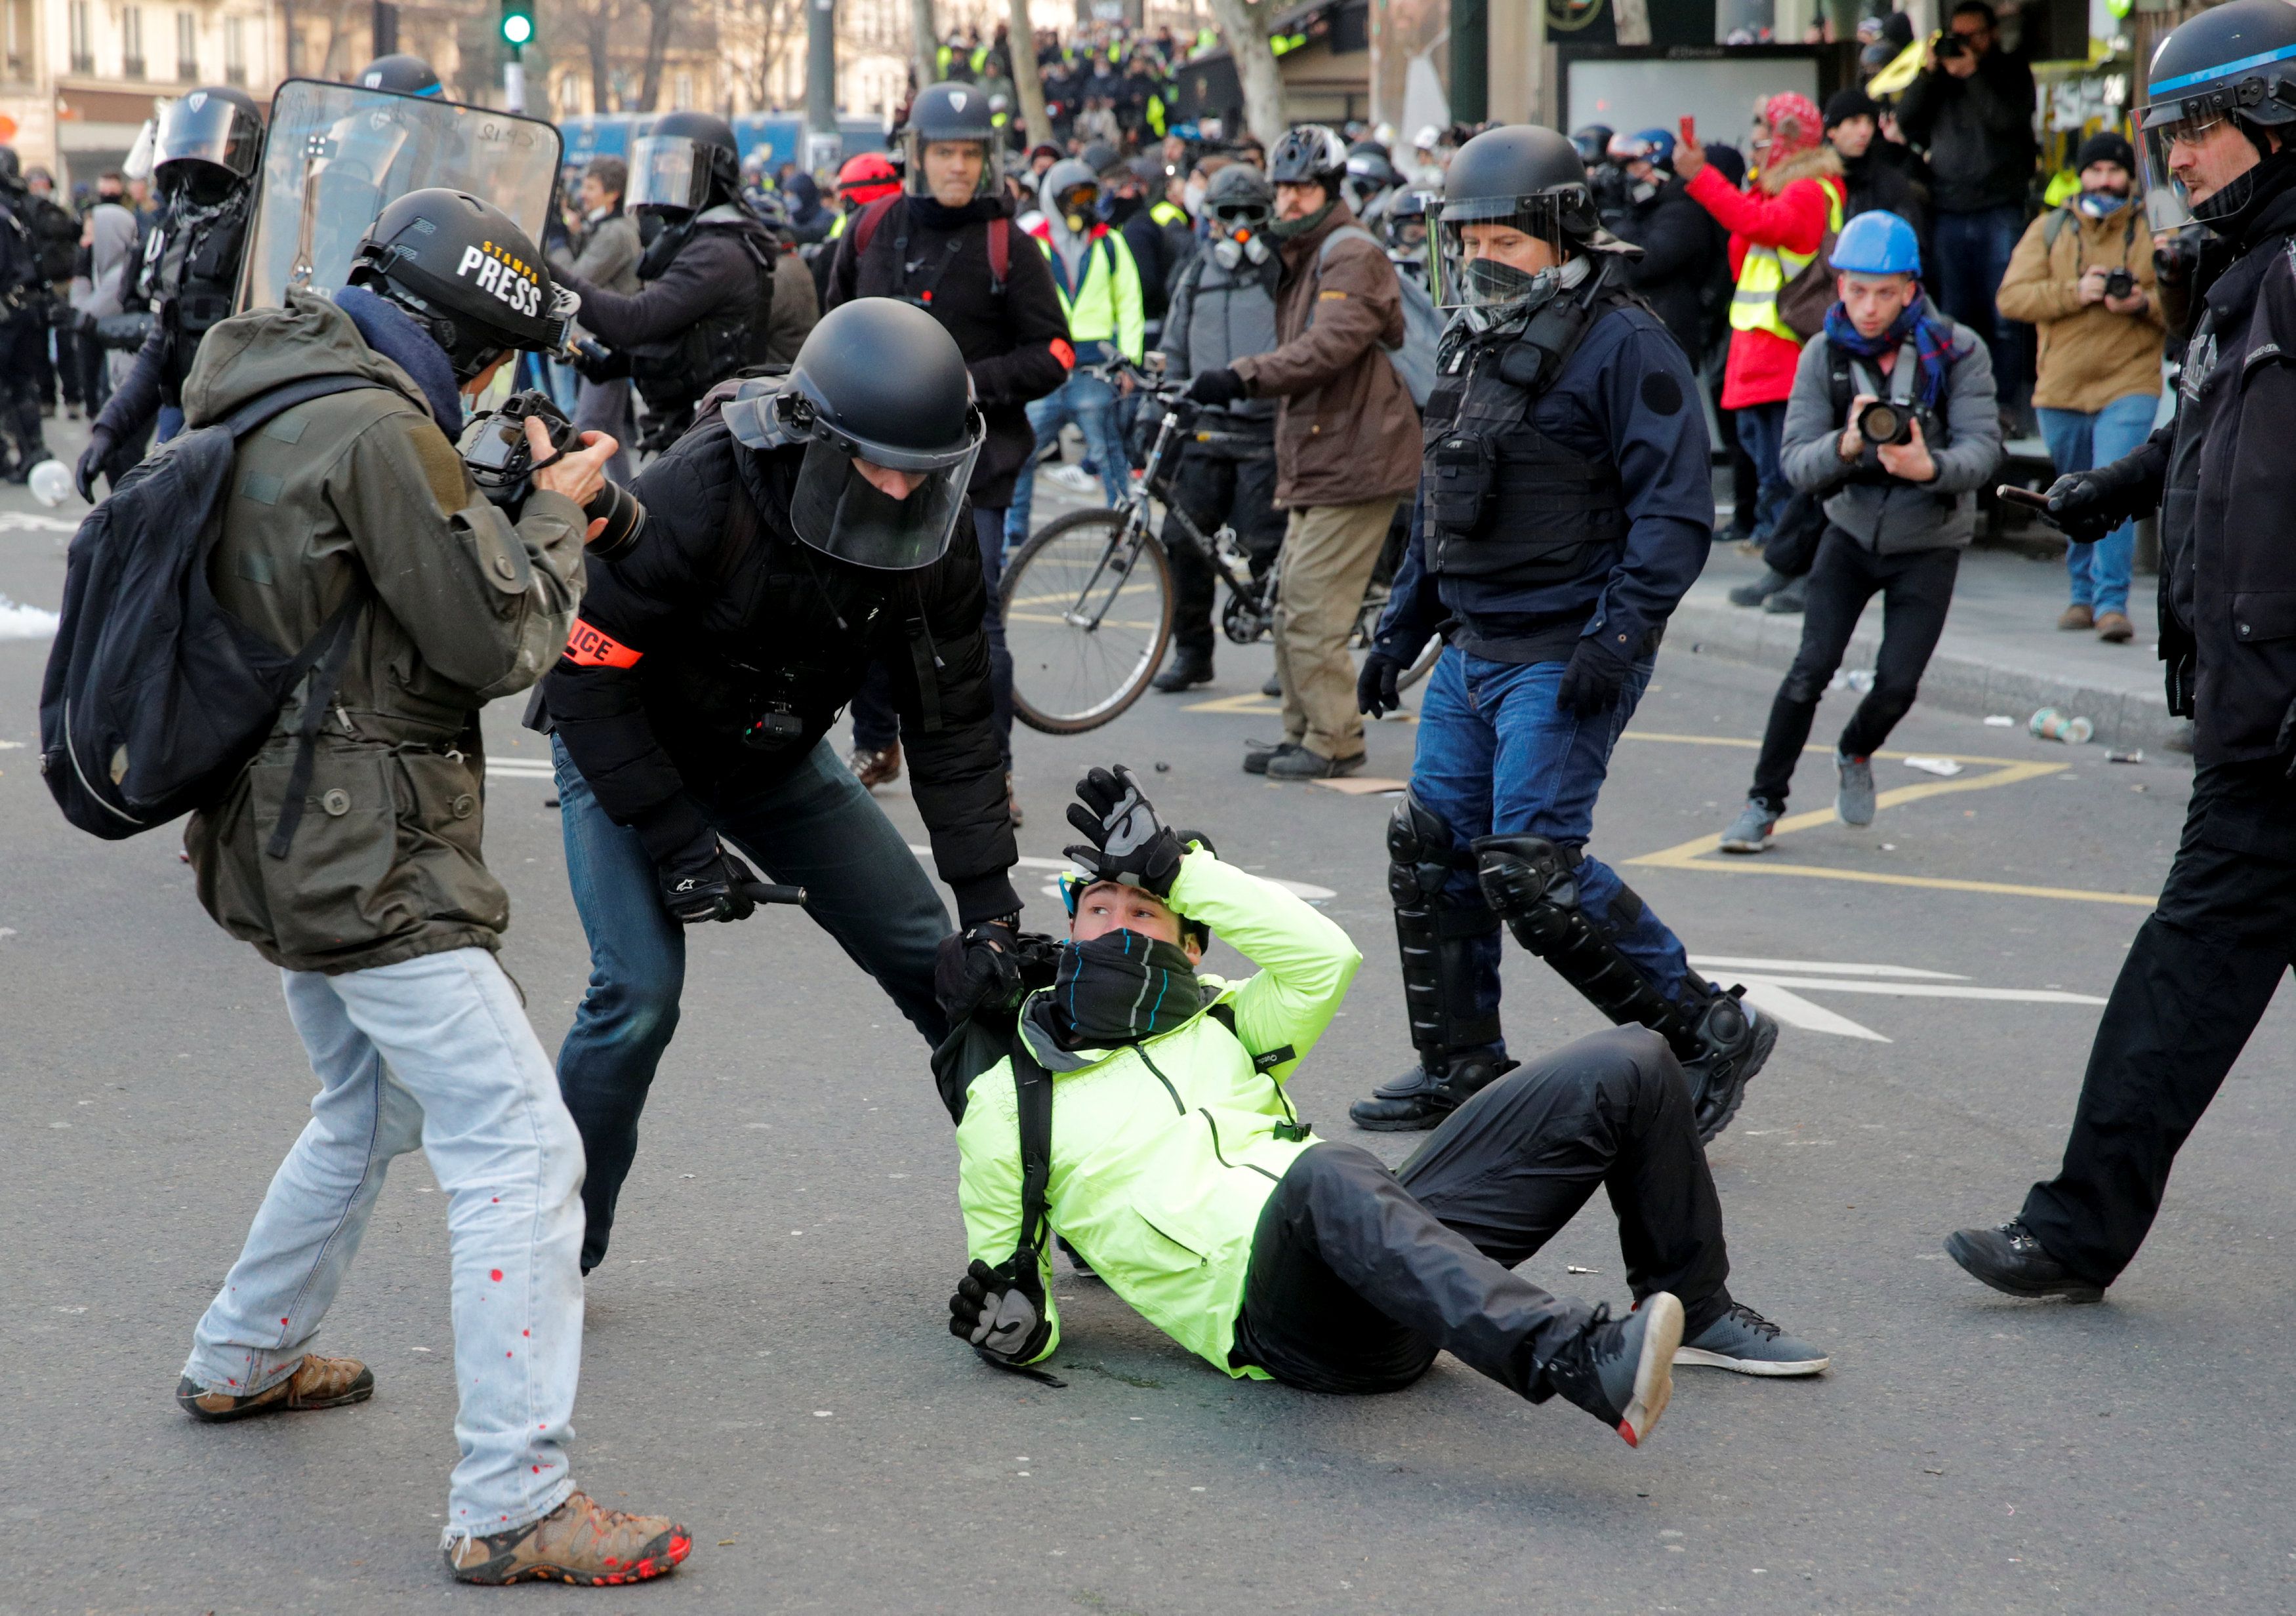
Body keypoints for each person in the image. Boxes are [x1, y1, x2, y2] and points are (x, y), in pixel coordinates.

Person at [171, 187, 691, 1585]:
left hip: (271, 826)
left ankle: (244, 1349)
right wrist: (557, 512)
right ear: (466, 339)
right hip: (367, 851)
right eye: (495, 362)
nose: (495, 388)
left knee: (373, 1099)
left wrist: (493, 499)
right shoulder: (377, 432)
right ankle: (513, 1498)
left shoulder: (271, 386)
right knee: (524, 1150)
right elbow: (494, 639)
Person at [943, 767, 1826, 1453]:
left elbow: (1324, 959)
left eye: (1147, 911)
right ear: (1070, 927)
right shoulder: (1013, 1096)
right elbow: (1015, 1290)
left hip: (1385, 1255)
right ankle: (1573, 1356)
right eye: (1100, 908)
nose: (1119, 924)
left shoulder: (1227, 1021)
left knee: (1631, 1060)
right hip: (1289, 1325)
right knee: (1326, 1171)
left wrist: (1179, 867)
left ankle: (1695, 1304)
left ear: (1192, 941)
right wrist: (1009, 1332)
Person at [534, 299, 1023, 1274]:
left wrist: (990, 908)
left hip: (775, 754)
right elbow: (583, 676)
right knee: (637, 993)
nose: (899, 488)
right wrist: (677, 842)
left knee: (953, 971)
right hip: (633, 740)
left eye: (920, 470)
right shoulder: (700, 488)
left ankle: (1074, 1193)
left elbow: (954, 723)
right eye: (876, 464)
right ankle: (549, 1248)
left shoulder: (932, 529)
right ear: (816, 437)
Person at [1948, 0, 2296, 1303]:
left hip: (2279, 707)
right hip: (2255, 712)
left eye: (2196, 128)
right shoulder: (2243, 269)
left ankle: (2073, 1229)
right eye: (2168, 133)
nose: (2176, 157)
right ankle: (2075, 1229)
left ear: (2277, 118)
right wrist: (2112, 489)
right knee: (2185, 972)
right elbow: (2208, 432)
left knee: (2184, 965)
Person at [1348, 124, 1778, 1135]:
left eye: (1504, 241)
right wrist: (1400, 628)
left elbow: (1674, 515)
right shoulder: (1472, 339)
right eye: (1469, 241)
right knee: (1434, 850)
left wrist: (1617, 641)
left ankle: (1708, 1031)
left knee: (1532, 870)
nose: (1481, 260)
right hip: (1474, 646)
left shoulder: (1625, 342)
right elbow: (1440, 500)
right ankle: (1461, 1065)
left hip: (1564, 647)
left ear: (1562, 234)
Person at [1717, 211, 2000, 853]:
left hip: (1928, 540)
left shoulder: (1957, 350)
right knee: (1808, 670)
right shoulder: (1823, 353)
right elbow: (1794, 461)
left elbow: (1983, 451)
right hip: (1846, 531)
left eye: (1884, 292)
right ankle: (1761, 804)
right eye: (1856, 290)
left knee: (1897, 684)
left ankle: (1855, 749)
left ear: (1910, 288)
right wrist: (1844, 446)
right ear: (1839, 284)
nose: (1868, 308)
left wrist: (1930, 468)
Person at [828, 80, 1073, 813]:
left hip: (976, 468)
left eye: (970, 154)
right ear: (917, 155)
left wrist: (970, 381)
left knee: (973, 624)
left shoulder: (1010, 245)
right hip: (875, 461)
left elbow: (1056, 353)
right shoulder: (869, 228)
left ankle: (993, 770)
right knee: (862, 610)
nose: (958, 167)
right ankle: (876, 743)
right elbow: (833, 328)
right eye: (944, 153)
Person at [1183, 124, 1418, 780]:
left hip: (1358, 456)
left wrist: (1242, 375)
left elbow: (1328, 348)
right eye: (1282, 188)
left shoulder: (1350, 253)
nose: (1288, 200)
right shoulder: (1302, 253)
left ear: (1330, 190)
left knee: (1312, 607)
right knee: (1287, 604)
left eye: (1302, 189)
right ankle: (1304, 733)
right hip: (1321, 453)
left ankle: (1335, 740)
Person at [1994, 131, 2163, 644]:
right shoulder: (2050, 228)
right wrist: (2076, 291)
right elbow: (2011, 298)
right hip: (2061, 389)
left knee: (2114, 485)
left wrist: (2142, 303)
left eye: (2115, 171)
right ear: (2081, 176)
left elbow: (2186, 300)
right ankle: (2081, 596)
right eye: (2096, 171)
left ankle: (2112, 604)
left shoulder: (2153, 227)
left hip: (2129, 382)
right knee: (2072, 493)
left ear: (2130, 177)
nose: (2105, 181)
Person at [1677, 94, 1847, 557]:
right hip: (1764, 343)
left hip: (1784, 344)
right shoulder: (1786, 186)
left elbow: (1758, 224)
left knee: (1778, 458)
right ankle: (1777, 542)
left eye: (1761, 134)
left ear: (1786, 139)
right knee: (1762, 449)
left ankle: (1784, 549)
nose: (1754, 145)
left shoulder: (1808, 190)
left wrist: (1701, 176)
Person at [75, 85, 263, 500]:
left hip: (253, 431)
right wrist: (109, 430)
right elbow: (163, 343)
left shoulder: (267, 229)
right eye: (192, 144)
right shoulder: (180, 231)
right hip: (190, 421)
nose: (201, 157)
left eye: (213, 144)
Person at [557, 111, 776, 456]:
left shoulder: (718, 252)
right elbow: (691, 338)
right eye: (655, 162)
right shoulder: (695, 239)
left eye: (673, 162)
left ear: (713, 173)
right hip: (692, 429)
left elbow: (635, 320)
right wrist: (623, 360)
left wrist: (547, 273)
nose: (659, 172)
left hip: (714, 439)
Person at [1146, 163, 1288, 694]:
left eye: (1253, 213)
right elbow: (1175, 346)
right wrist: (1157, 411)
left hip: (1265, 432)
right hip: (1205, 431)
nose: (1241, 226)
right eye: (1230, 214)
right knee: (1182, 540)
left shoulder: (1284, 273)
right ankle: (1193, 653)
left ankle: (1290, 659)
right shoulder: (1195, 272)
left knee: (1269, 546)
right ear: (1212, 219)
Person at [1001, 158, 1145, 552]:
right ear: (1055, 200)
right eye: (1074, 198)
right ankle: (1014, 533)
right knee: (1024, 452)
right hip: (1045, 365)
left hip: (1095, 368)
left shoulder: (1109, 243)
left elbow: (1130, 304)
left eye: (1089, 197)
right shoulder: (1033, 242)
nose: (1083, 206)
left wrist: (1129, 361)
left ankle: (1123, 529)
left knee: (1108, 453)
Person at [1893, 0, 2037, 395]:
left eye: (1974, 36)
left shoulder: (2011, 70)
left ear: (1992, 34)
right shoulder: (1940, 78)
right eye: (1958, 35)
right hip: (1949, 207)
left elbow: (2006, 120)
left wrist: (1973, 74)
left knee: (2004, 314)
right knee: (1954, 316)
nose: (1965, 44)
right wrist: (1929, 73)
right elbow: (1906, 120)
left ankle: (2006, 403)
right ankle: (1959, 400)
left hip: (1999, 206)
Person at [550, 153, 643, 487]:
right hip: (613, 340)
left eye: (591, 187)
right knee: (609, 428)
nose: (583, 194)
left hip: (608, 342)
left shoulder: (615, 233)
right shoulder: (613, 228)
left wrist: (557, 243)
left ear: (612, 194)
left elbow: (575, 280)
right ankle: (629, 494)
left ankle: (578, 495)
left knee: (589, 422)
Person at [1608, 129, 1712, 369]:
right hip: (1646, 334)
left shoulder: (1684, 210)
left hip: (1671, 339)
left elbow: (1643, 261)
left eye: (1638, 169)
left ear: (1661, 168)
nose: (1632, 178)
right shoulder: (1650, 210)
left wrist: (1615, 217)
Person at [0, 147, 53, 481]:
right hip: (23, 308)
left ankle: (24, 456)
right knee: (21, 385)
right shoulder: (18, 205)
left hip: (8, 312)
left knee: (13, 386)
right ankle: (32, 451)